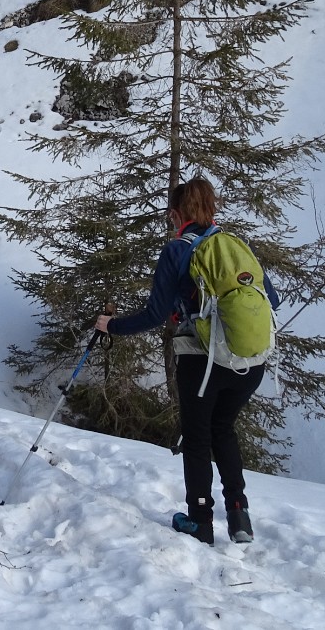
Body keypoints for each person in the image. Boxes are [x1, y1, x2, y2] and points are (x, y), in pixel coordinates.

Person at [95, 177, 279, 545]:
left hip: (203, 361)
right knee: (223, 430)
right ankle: (239, 514)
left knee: (197, 439)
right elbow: (272, 299)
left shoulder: (176, 251)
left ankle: (200, 521)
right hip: (250, 362)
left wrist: (111, 325)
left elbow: (153, 315)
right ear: (212, 209)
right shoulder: (236, 245)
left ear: (175, 214)